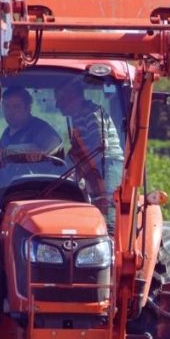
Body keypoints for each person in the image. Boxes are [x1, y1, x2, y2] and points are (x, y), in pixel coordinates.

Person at [53, 77, 124, 231]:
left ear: (72, 97)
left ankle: (112, 238)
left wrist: (79, 169)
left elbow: (99, 146)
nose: (58, 106)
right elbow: (80, 149)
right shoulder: (78, 117)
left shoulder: (91, 113)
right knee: (94, 203)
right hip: (95, 166)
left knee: (107, 204)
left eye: (60, 100)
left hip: (107, 164)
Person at [0, 87, 62, 154]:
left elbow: (55, 150)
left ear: (27, 108)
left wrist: (39, 155)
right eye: (7, 106)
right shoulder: (6, 133)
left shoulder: (42, 130)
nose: (10, 111)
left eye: (16, 106)